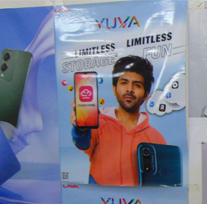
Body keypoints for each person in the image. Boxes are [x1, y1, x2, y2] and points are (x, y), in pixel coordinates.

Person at [71, 56, 166, 185]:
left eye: (137, 85)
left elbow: (162, 180)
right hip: (100, 196)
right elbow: (82, 143)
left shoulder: (156, 138)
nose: (129, 89)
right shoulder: (98, 123)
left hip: (138, 198)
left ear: (146, 94)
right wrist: (80, 128)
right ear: (114, 89)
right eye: (124, 82)